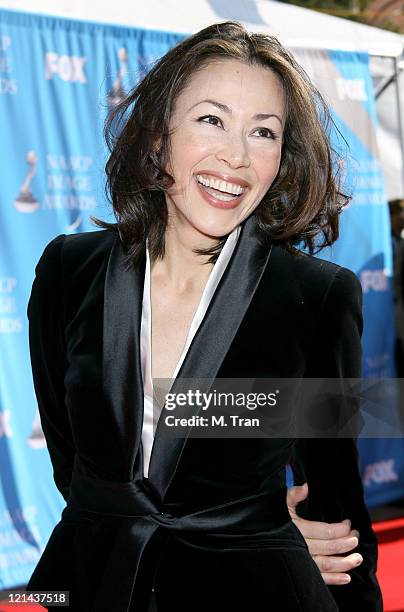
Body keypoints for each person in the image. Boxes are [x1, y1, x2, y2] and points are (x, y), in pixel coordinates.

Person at [26, 21, 382, 611]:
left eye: (263, 132)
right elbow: (77, 471)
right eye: (211, 120)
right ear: (158, 137)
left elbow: (336, 502)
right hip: (86, 582)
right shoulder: (69, 270)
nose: (237, 156)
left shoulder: (316, 297)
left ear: (280, 161)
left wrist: (255, 528)